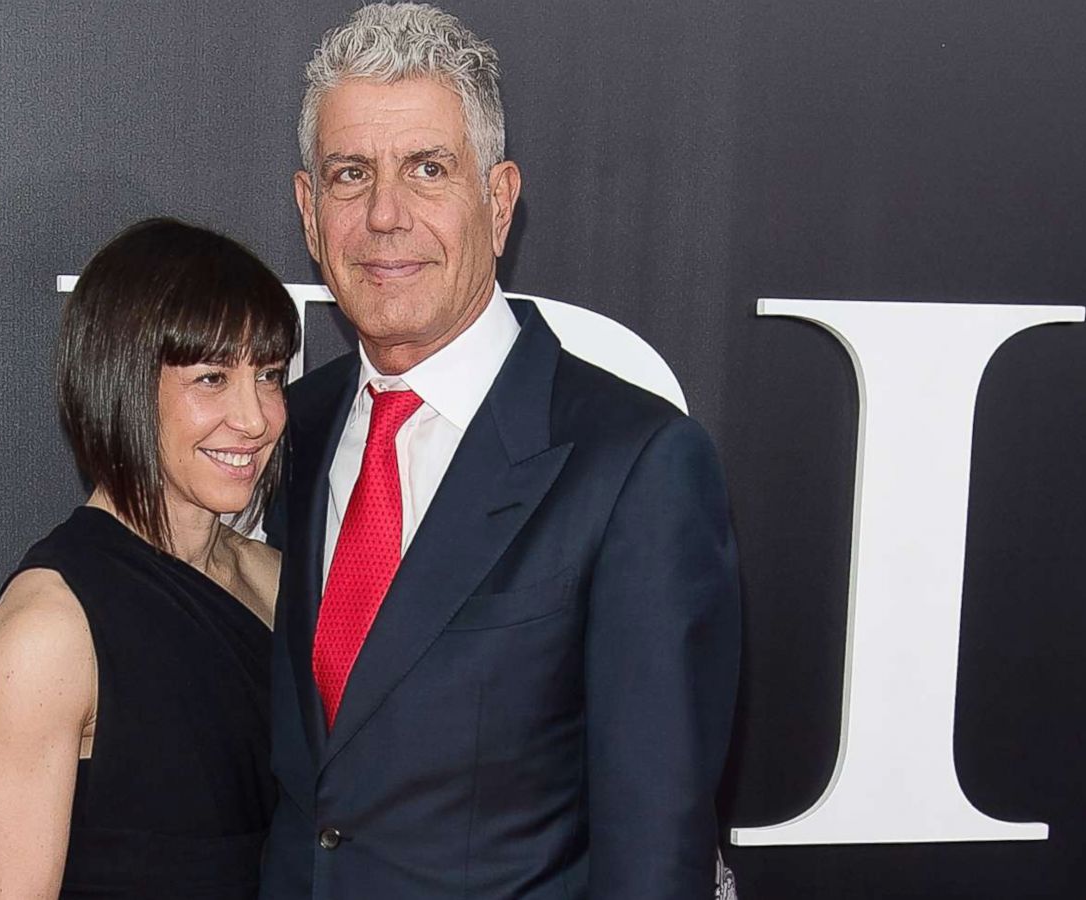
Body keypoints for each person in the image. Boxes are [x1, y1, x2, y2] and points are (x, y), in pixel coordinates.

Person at [262, 5, 741, 899]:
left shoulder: (638, 467)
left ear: (499, 201)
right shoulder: (289, 428)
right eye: (350, 174)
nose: (384, 216)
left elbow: (655, 854)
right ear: (307, 208)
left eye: (428, 170)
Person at [0, 218, 299, 899]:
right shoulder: (50, 631)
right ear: (121, 384)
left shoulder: (275, 578)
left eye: (268, 375)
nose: (255, 417)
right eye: (211, 378)